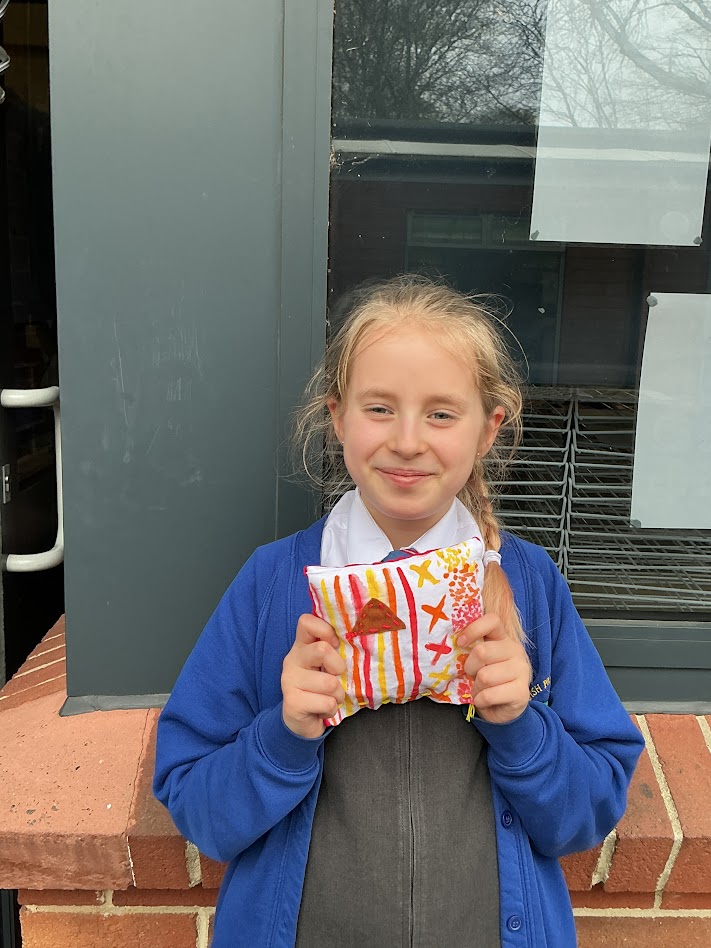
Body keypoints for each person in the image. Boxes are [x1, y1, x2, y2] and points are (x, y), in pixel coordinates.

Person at [153, 275, 644, 947]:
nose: (408, 441)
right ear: (337, 418)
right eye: (379, 408)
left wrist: (521, 725)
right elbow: (200, 812)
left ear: (488, 430)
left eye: (441, 414)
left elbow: (586, 814)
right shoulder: (271, 584)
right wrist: (285, 732)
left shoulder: (529, 584)